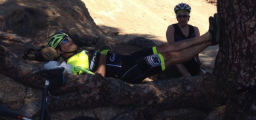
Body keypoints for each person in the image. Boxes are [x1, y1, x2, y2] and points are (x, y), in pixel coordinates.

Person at [45, 14, 220, 84]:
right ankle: (211, 41)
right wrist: (103, 57)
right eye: (64, 41)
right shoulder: (72, 65)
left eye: (67, 37)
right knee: (172, 56)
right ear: (59, 51)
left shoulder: (77, 53)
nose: (69, 40)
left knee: (165, 47)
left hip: (128, 59)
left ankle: (207, 36)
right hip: (129, 71)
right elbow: (98, 81)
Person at [166, 3, 203, 77]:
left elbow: (197, 47)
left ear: (188, 16)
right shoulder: (172, 28)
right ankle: (188, 78)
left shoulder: (194, 29)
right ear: (177, 17)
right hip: (178, 57)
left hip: (191, 56)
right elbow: (171, 46)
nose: (182, 18)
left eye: (184, 16)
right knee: (175, 59)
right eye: (180, 16)